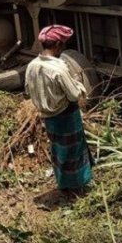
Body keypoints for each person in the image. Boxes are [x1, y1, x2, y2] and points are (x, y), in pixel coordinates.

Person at [25, 24, 93, 193]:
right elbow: (73, 95)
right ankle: (78, 187)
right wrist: (78, 85)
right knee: (74, 152)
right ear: (57, 45)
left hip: (48, 117)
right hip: (66, 115)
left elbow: (28, 90)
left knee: (59, 152)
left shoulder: (32, 66)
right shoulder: (58, 68)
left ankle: (63, 185)